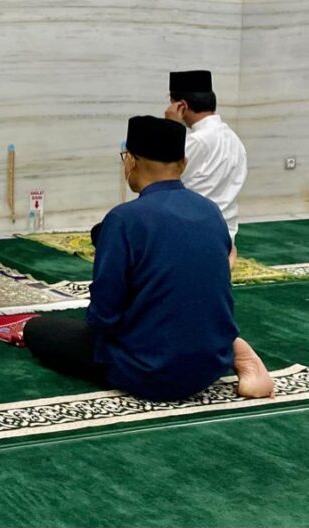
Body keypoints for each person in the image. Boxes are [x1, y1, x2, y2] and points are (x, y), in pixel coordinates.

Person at [23, 116, 272, 401]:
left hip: (150, 372)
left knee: (39, 330)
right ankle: (234, 348)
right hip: (210, 364)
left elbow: (104, 316)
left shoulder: (124, 220)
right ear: (184, 164)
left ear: (130, 161)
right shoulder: (211, 211)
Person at [164, 70, 247, 265]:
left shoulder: (195, 142)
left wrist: (171, 131)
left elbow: (160, 183)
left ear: (181, 106)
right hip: (225, 234)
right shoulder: (234, 139)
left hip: (190, 233)